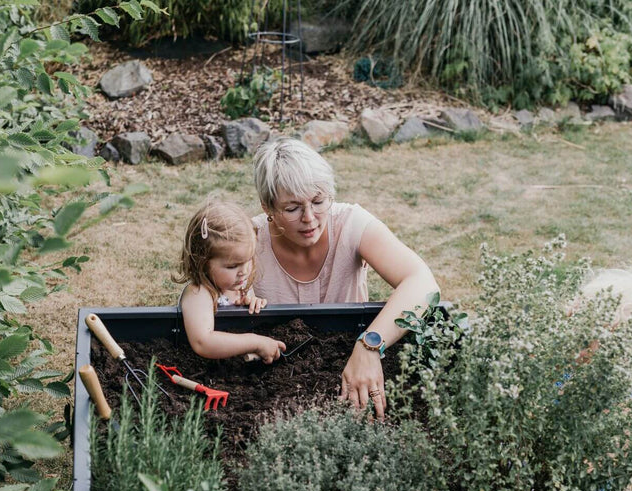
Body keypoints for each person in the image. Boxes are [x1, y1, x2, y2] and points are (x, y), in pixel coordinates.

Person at [251, 137, 440, 418]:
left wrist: (369, 346)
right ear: (268, 207)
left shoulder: (351, 223)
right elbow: (197, 302)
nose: (310, 218)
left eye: (318, 201)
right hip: (270, 382)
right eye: (292, 208)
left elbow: (423, 283)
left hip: (347, 363)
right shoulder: (248, 239)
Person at [174, 200, 287, 363]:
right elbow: (203, 342)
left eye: (248, 260)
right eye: (233, 266)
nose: (244, 272)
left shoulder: (239, 283)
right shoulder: (199, 294)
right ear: (203, 262)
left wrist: (253, 302)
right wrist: (255, 342)